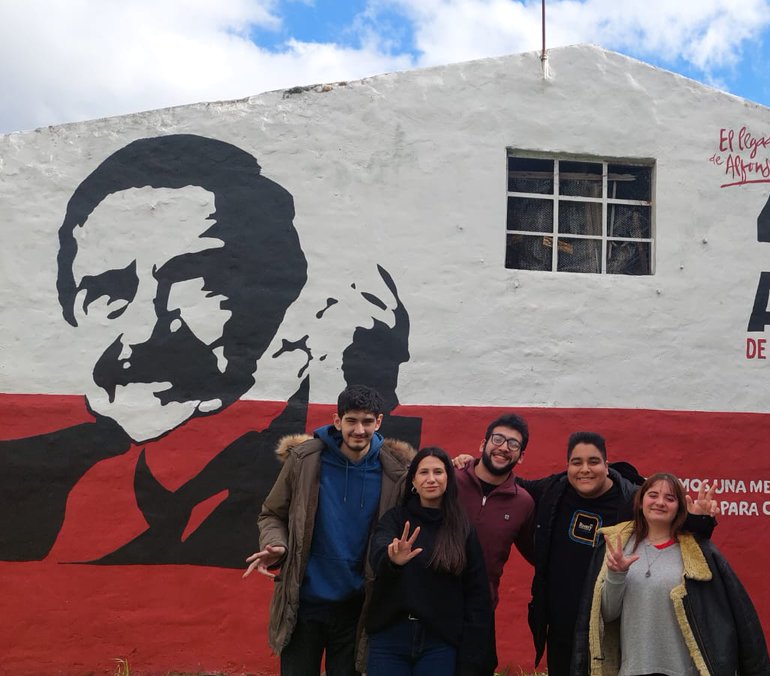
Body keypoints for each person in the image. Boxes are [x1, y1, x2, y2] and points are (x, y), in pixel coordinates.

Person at [0, 133, 417, 566]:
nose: (141, 332)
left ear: (279, 294)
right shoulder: (21, 473)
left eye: (193, 279)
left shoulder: (373, 467)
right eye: (107, 292)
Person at [245, 385, 415, 676]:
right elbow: (272, 514)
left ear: (379, 422)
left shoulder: (396, 472)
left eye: (367, 421)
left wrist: (464, 463)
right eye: (351, 421)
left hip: (358, 608)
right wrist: (278, 545)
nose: (359, 430)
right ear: (337, 421)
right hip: (303, 603)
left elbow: (437, 481)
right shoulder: (305, 460)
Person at [518, 432, 718, 676]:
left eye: (593, 461)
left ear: (606, 464)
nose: (585, 469)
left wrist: (699, 520)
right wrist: (477, 464)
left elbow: (668, 518)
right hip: (561, 625)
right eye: (576, 462)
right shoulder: (553, 490)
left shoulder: (631, 498)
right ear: (567, 465)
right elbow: (510, 484)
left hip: (609, 627)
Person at [575, 473, 770, 676]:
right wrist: (616, 574)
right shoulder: (618, 546)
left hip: (684, 671)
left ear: (679, 507)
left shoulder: (697, 553)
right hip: (633, 669)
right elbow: (607, 614)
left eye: (670, 498)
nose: (660, 502)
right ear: (640, 502)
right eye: (653, 495)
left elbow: (719, 619)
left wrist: (700, 520)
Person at [365, 447, 496, 676]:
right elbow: (378, 551)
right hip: (390, 638)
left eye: (438, 472)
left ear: (448, 479)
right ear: (413, 481)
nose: (431, 479)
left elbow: (477, 594)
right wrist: (392, 559)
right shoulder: (396, 519)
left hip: (440, 642)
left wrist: (473, 653)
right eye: (424, 472)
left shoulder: (462, 528)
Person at [453, 413, 536, 606]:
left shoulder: (523, 503)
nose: (504, 447)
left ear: (521, 457)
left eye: (513, 444)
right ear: (483, 445)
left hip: (480, 607)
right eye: (498, 439)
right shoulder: (450, 480)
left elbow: (537, 554)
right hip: (431, 601)